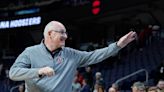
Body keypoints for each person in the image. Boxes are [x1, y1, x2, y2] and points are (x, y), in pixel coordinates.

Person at [9, 21, 137, 92]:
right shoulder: (30, 52)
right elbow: (13, 73)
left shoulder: (71, 54)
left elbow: (95, 55)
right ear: (50, 34)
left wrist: (118, 45)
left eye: (66, 33)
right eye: (62, 33)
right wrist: (39, 71)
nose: (65, 36)